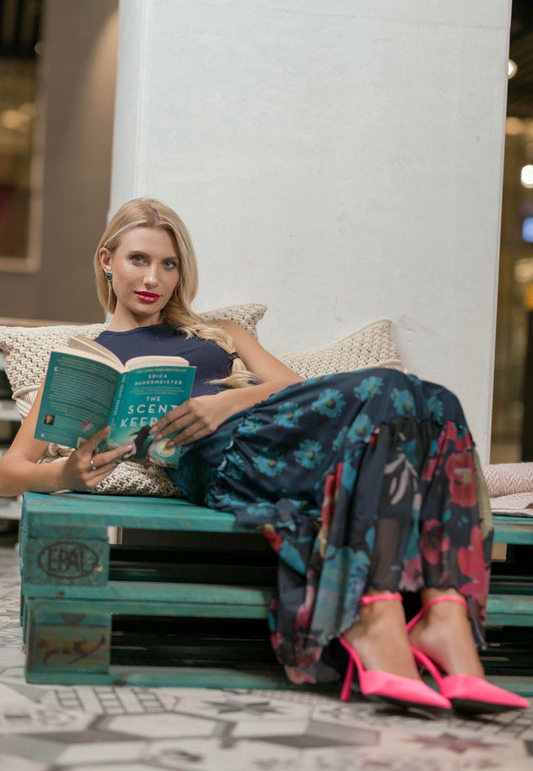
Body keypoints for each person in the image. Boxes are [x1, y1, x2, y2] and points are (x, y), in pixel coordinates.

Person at [0, 198, 527, 715]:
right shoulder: (81, 362)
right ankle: (412, 620)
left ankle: (444, 615)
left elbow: (297, 388)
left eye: (169, 264)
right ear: (106, 261)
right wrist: (63, 472)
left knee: (435, 402)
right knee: (403, 392)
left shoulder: (221, 333)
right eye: (139, 259)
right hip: (221, 458)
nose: (153, 278)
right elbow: (8, 472)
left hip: (285, 428)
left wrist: (225, 398)